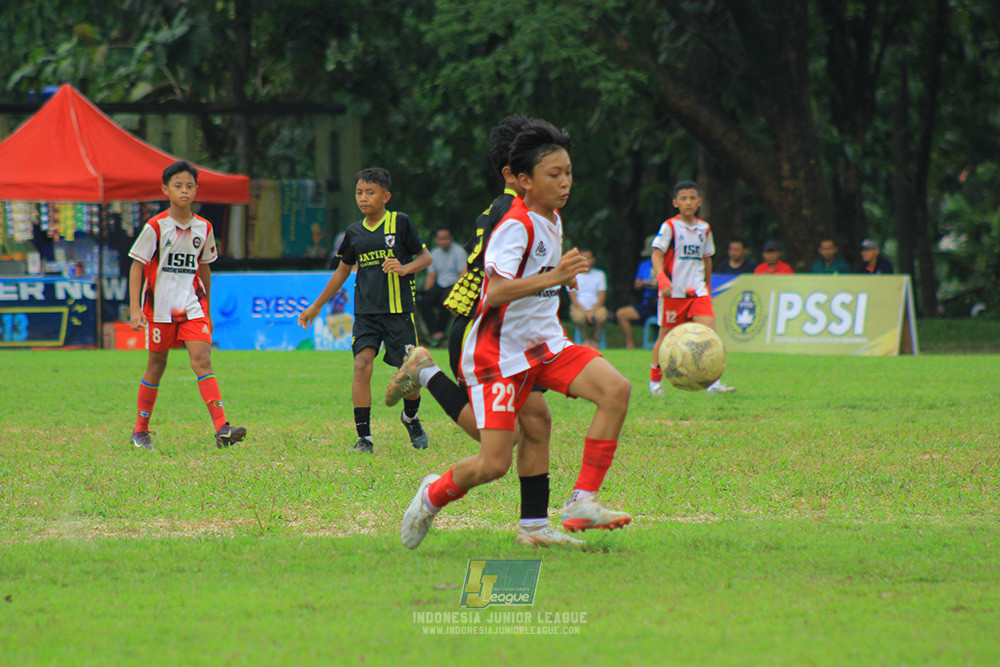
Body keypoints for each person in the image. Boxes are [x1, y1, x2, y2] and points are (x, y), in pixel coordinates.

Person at [399, 120, 632, 550]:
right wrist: (556, 274)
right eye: (554, 175)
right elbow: (495, 293)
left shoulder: (552, 217)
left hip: (545, 345)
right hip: (497, 353)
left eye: (568, 173)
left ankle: (570, 508)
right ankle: (432, 495)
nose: (566, 183)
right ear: (523, 181)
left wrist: (561, 277)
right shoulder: (514, 223)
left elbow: (538, 272)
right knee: (492, 463)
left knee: (615, 391)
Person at [298, 167, 433, 453]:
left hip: (398, 312)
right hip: (366, 313)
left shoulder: (400, 223)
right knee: (361, 365)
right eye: (359, 193)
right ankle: (364, 438)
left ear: (386, 196)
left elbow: (426, 257)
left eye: (370, 193)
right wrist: (316, 306)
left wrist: (405, 267)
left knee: (410, 374)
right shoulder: (354, 233)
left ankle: (410, 418)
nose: (363, 198)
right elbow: (341, 273)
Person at [127, 160, 246, 450]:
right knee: (156, 365)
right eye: (178, 186)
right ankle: (140, 430)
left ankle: (222, 428)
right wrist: (134, 308)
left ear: (196, 190)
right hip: (160, 310)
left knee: (202, 360)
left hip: (192, 308)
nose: (184, 191)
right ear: (165, 189)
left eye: (189, 186)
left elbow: (205, 269)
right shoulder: (156, 227)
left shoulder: (204, 228)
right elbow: (136, 266)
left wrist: (207, 310)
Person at [648, 181, 735, 396]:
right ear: (676, 202)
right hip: (673, 292)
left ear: (699, 201)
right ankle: (655, 382)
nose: (688, 202)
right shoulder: (670, 226)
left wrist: (707, 286)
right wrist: (662, 278)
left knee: (709, 335)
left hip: (698, 292)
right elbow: (657, 253)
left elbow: (707, 259)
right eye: (683, 198)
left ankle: (713, 384)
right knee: (665, 336)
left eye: (692, 198)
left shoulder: (704, 229)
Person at [418, 228, 467, 347]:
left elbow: (462, 274)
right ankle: (434, 332)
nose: (443, 241)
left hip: (454, 284)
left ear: (450, 238)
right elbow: (431, 276)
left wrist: (458, 291)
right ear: (437, 240)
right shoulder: (434, 253)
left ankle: (440, 331)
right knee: (423, 302)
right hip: (439, 285)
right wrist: (427, 292)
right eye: (440, 239)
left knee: (446, 302)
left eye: (445, 238)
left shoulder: (459, 251)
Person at [615, 235, 658, 350]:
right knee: (621, 314)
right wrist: (643, 284)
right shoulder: (644, 264)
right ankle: (630, 346)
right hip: (648, 303)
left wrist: (657, 285)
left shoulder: (668, 263)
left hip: (664, 303)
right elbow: (637, 285)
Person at [566, 248, 608, 348]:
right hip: (578, 307)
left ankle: (595, 338)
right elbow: (573, 298)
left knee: (602, 315)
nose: (585, 260)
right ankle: (585, 339)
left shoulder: (600, 275)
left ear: (593, 260)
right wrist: (585, 312)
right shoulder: (572, 274)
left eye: (588, 258)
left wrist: (592, 311)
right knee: (579, 317)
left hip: (596, 307)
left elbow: (602, 298)